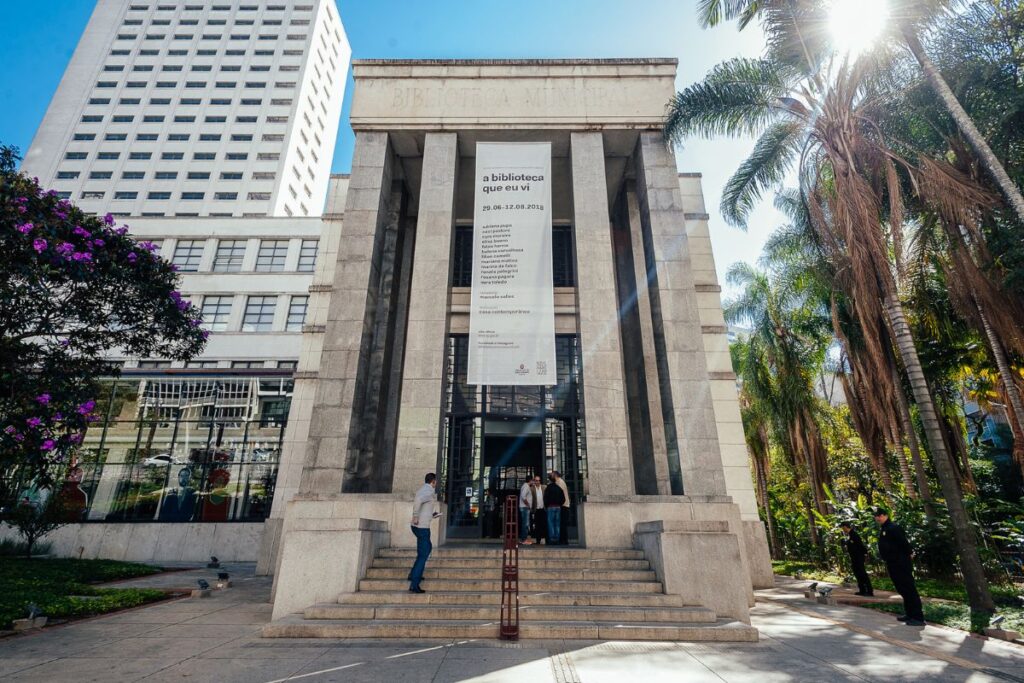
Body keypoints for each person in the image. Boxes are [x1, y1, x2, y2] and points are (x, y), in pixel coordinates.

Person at [873, 507, 924, 625]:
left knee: (909, 589)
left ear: (885, 515)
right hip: (892, 563)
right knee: (902, 589)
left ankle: (918, 617)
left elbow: (904, 543)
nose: (877, 518)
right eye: (876, 516)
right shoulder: (885, 528)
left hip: (901, 563)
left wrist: (909, 553)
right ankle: (910, 614)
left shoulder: (893, 527)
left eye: (879, 515)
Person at [409, 472, 437, 593]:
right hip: (422, 527)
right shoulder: (429, 491)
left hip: (418, 526)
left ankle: (413, 574)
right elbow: (419, 500)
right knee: (424, 553)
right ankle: (414, 584)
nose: (436, 484)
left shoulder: (423, 489)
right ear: (433, 481)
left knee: (424, 550)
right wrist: (415, 516)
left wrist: (432, 515)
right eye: (436, 482)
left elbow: (422, 505)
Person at [840, 521, 873, 596]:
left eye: (843, 528)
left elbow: (860, 545)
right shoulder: (849, 535)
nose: (843, 530)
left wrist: (865, 554)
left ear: (845, 527)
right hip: (854, 558)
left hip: (858, 557)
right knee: (858, 574)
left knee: (862, 574)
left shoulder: (854, 535)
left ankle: (869, 591)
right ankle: (862, 590)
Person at [543, 472, 565, 546]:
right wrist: (559, 504)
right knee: (557, 523)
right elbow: (563, 499)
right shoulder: (559, 488)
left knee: (551, 523)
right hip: (558, 507)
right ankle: (557, 539)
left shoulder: (548, 488)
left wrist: (546, 505)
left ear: (549, 480)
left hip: (550, 507)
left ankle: (552, 539)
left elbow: (545, 498)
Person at [552, 471, 571, 545]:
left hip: (563, 506)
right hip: (564, 505)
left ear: (556, 475)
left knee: (562, 524)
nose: (551, 476)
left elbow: (559, 494)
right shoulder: (561, 481)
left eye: (552, 475)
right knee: (562, 524)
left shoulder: (559, 482)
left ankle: (564, 540)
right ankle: (563, 540)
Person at [529, 475, 546, 544]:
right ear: (534, 481)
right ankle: (538, 540)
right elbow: (530, 499)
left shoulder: (544, 487)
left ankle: (545, 538)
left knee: (544, 524)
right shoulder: (531, 489)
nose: (537, 482)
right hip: (536, 510)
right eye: (536, 480)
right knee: (537, 525)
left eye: (538, 480)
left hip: (543, 509)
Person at [518, 476, 535, 545]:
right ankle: (524, 539)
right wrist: (527, 504)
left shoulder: (526, 486)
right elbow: (523, 496)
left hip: (524, 507)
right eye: (533, 480)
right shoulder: (526, 486)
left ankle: (523, 539)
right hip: (525, 507)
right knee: (525, 524)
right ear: (530, 480)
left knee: (525, 523)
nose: (533, 482)